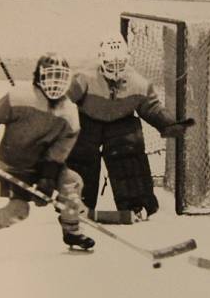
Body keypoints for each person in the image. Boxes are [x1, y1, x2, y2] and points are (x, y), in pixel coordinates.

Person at [0, 52, 95, 254]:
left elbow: (60, 150)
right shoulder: (20, 97)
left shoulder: (70, 113)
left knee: (72, 183)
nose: (55, 83)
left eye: (60, 77)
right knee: (18, 211)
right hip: (15, 165)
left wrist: (47, 178)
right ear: (39, 77)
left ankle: (72, 231)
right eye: (50, 76)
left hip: (43, 163)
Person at [65, 35, 192, 221]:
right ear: (101, 62)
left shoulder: (138, 83)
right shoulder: (83, 78)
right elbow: (63, 101)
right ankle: (77, 202)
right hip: (88, 120)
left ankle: (137, 204)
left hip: (121, 121)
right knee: (82, 156)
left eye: (120, 65)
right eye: (110, 66)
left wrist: (168, 123)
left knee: (128, 154)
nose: (116, 71)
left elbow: (151, 107)